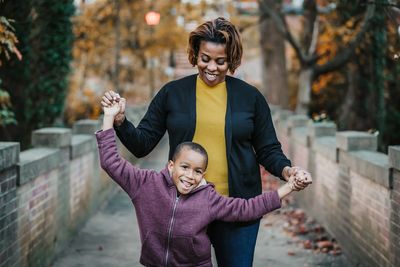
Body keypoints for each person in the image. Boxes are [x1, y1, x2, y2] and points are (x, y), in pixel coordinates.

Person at [101, 17, 311, 267]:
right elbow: (142, 144)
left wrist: (288, 171)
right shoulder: (172, 93)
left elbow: (268, 149)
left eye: (220, 61)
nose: (212, 67)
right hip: (185, 208)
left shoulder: (250, 98)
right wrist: (121, 121)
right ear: (195, 55)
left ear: (231, 60)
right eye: (205, 59)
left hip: (236, 207)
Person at [96, 99, 311, 267]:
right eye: (185, 167)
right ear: (171, 165)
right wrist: (109, 118)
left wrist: (288, 187)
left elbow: (247, 209)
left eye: (198, 171)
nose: (190, 175)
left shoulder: (208, 199)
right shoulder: (145, 184)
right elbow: (110, 162)